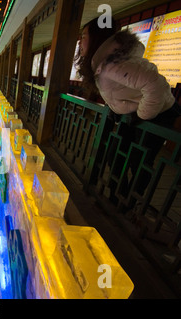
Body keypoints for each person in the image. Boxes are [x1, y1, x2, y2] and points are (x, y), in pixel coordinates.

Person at [75, 17, 181, 211]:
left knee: (138, 163)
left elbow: (155, 85)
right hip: (135, 115)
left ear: (98, 39)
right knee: (116, 156)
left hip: (156, 113)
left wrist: (141, 115)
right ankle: (118, 202)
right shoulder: (105, 63)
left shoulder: (113, 65)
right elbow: (122, 90)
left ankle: (126, 206)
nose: (80, 42)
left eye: (83, 36)